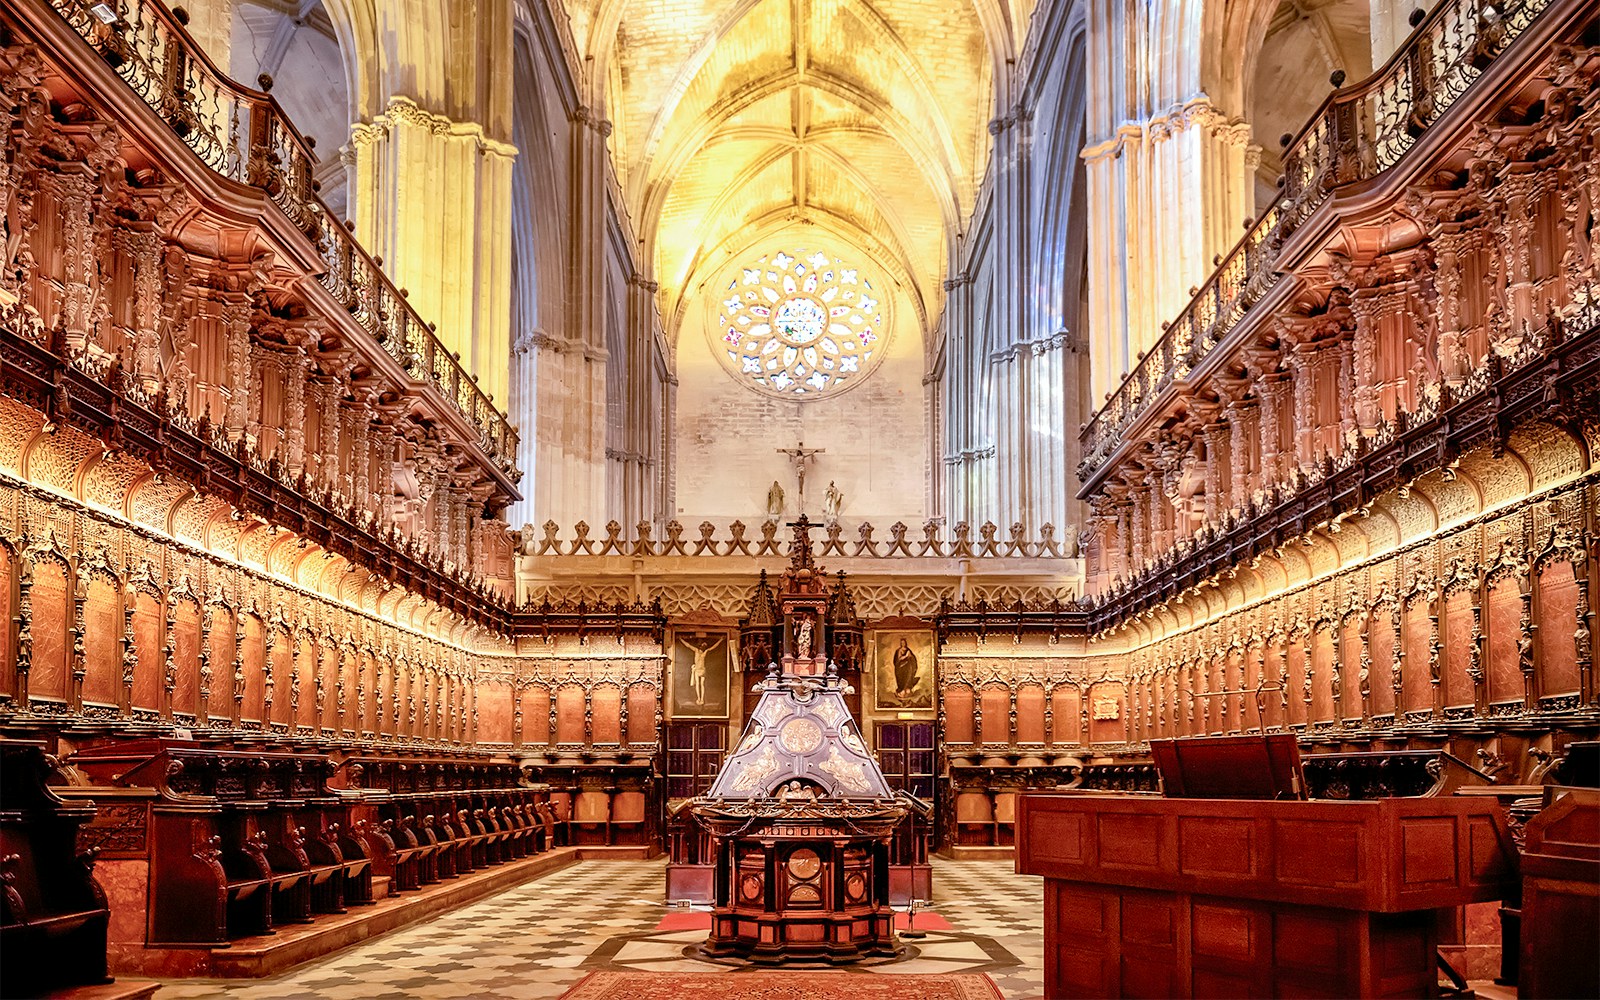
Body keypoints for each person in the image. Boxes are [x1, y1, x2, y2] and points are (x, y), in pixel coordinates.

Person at [893, 637, 919, 702]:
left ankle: (907, 690)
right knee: (902, 679)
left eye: (904, 642)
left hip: (907, 667)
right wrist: (906, 656)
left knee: (908, 678)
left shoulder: (908, 650)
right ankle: (902, 691)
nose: (903, 644)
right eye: (902, 643)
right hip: (901, 668)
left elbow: (912, 658)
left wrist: (910, 657)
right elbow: (898, 660)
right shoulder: (899, 650)